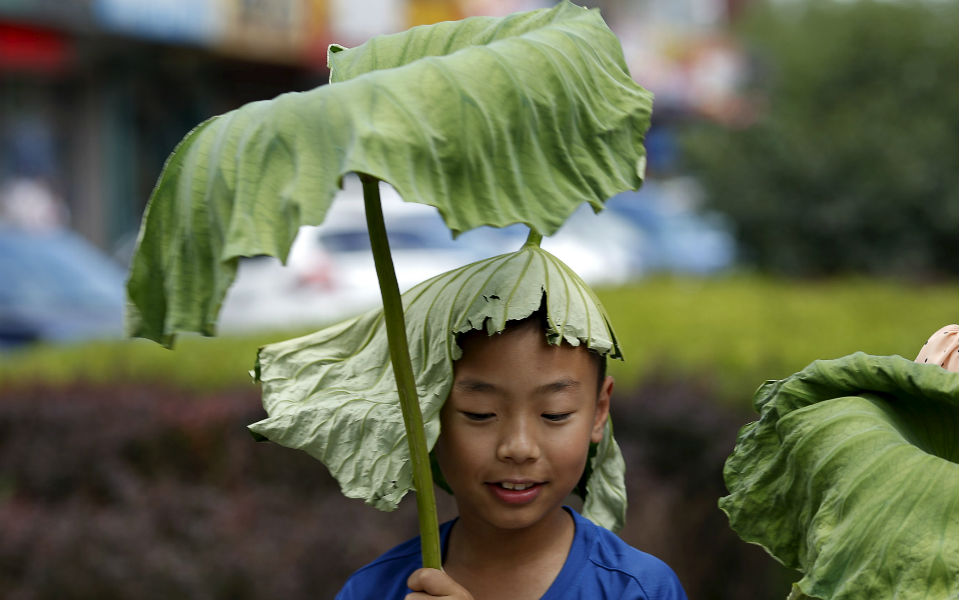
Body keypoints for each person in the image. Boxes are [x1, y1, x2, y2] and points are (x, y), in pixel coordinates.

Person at [335, 312, 688, 600]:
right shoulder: (373, 590)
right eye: (480, 413)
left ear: (599, 411)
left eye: (554, 413)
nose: (518, 448)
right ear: (427, 413)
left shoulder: (638, 589)